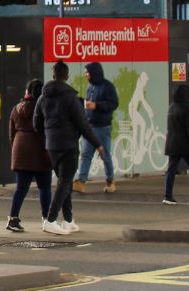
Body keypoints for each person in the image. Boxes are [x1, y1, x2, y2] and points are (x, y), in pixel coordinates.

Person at [35, 61, 106, 235]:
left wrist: (47, 137)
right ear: (66, 76)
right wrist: (97, 144)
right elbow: (83, 124)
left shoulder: (43, 97)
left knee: (63, 181)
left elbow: (36, 122)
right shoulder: (70, 97)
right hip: (68, 145)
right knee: (65, 182)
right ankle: (50, 220)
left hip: (51, 146)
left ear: (53, 76)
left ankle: (68, 220)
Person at [7, 79, 52, 232]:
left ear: (27, 92)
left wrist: (15, 149)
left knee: (20, 188)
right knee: (44, 187)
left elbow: (11, 134)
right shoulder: (44, 108)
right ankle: (47, 219)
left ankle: (13, 219)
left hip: (21, 150)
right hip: (40, 150)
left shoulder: (16, 108)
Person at [73, 61, 119, 194]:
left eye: (87, 72)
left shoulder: (107, 86)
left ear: (94, 73)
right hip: (89, 126)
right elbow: (89, 103)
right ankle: (81, 181)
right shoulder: (90, 87)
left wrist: (97, 106)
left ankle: (110, 180)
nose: (85, 75)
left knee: (105, 154)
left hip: (103, 127)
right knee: (86, 154)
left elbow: (114, 103)